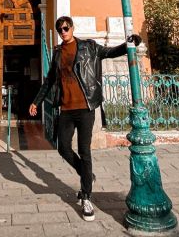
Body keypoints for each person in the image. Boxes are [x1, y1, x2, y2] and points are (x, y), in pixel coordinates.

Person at [29, 16, 141, 222]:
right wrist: (36, 101)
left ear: (72, 28)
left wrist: (130, 44)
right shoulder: (57, 53)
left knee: (84, 150)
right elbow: (49, 81)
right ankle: (86, 174)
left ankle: (86, 197)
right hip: (66, 110)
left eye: (65, 28)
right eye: (59, 29)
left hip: (86, 108)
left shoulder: (89, 47)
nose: (63, 31)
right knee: (62, 147)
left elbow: (110, 52)